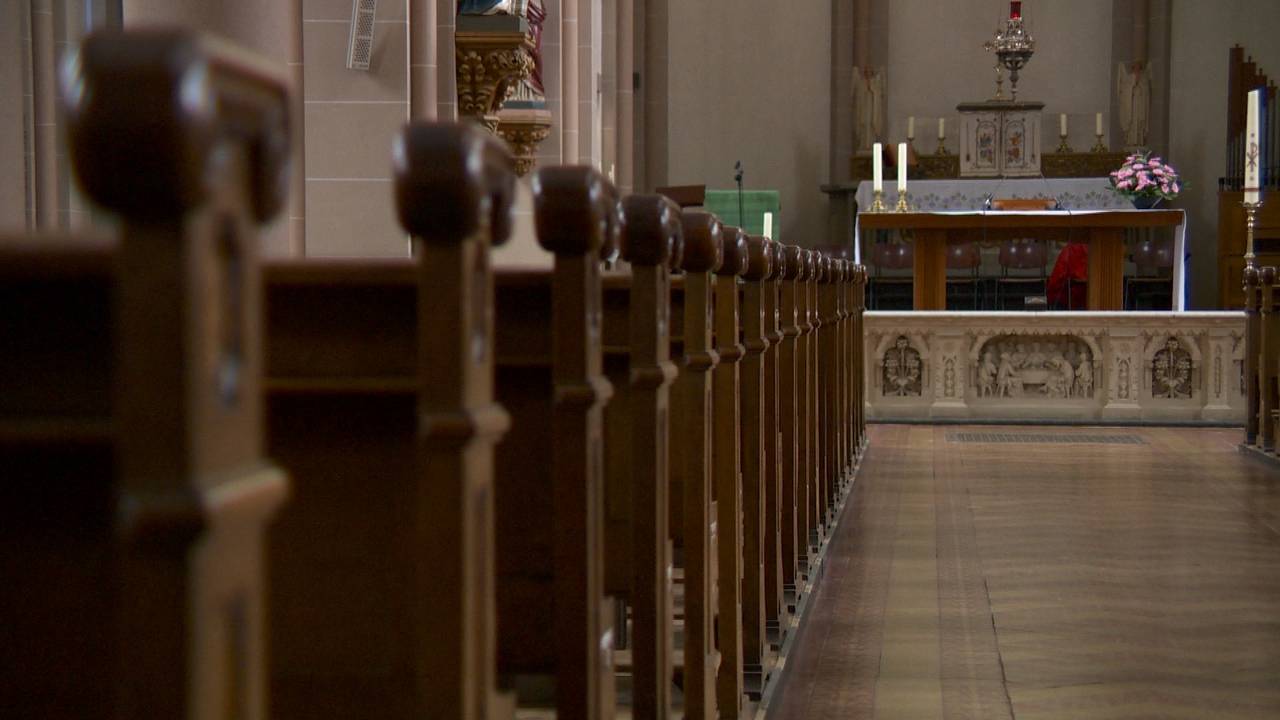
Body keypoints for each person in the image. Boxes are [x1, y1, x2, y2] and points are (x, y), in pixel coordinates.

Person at [1048, 242, 1088, 310]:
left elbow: (1056, 280)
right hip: (1067, 300)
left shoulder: (1072, 249)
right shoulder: (1073, 249)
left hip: (1068, 299)